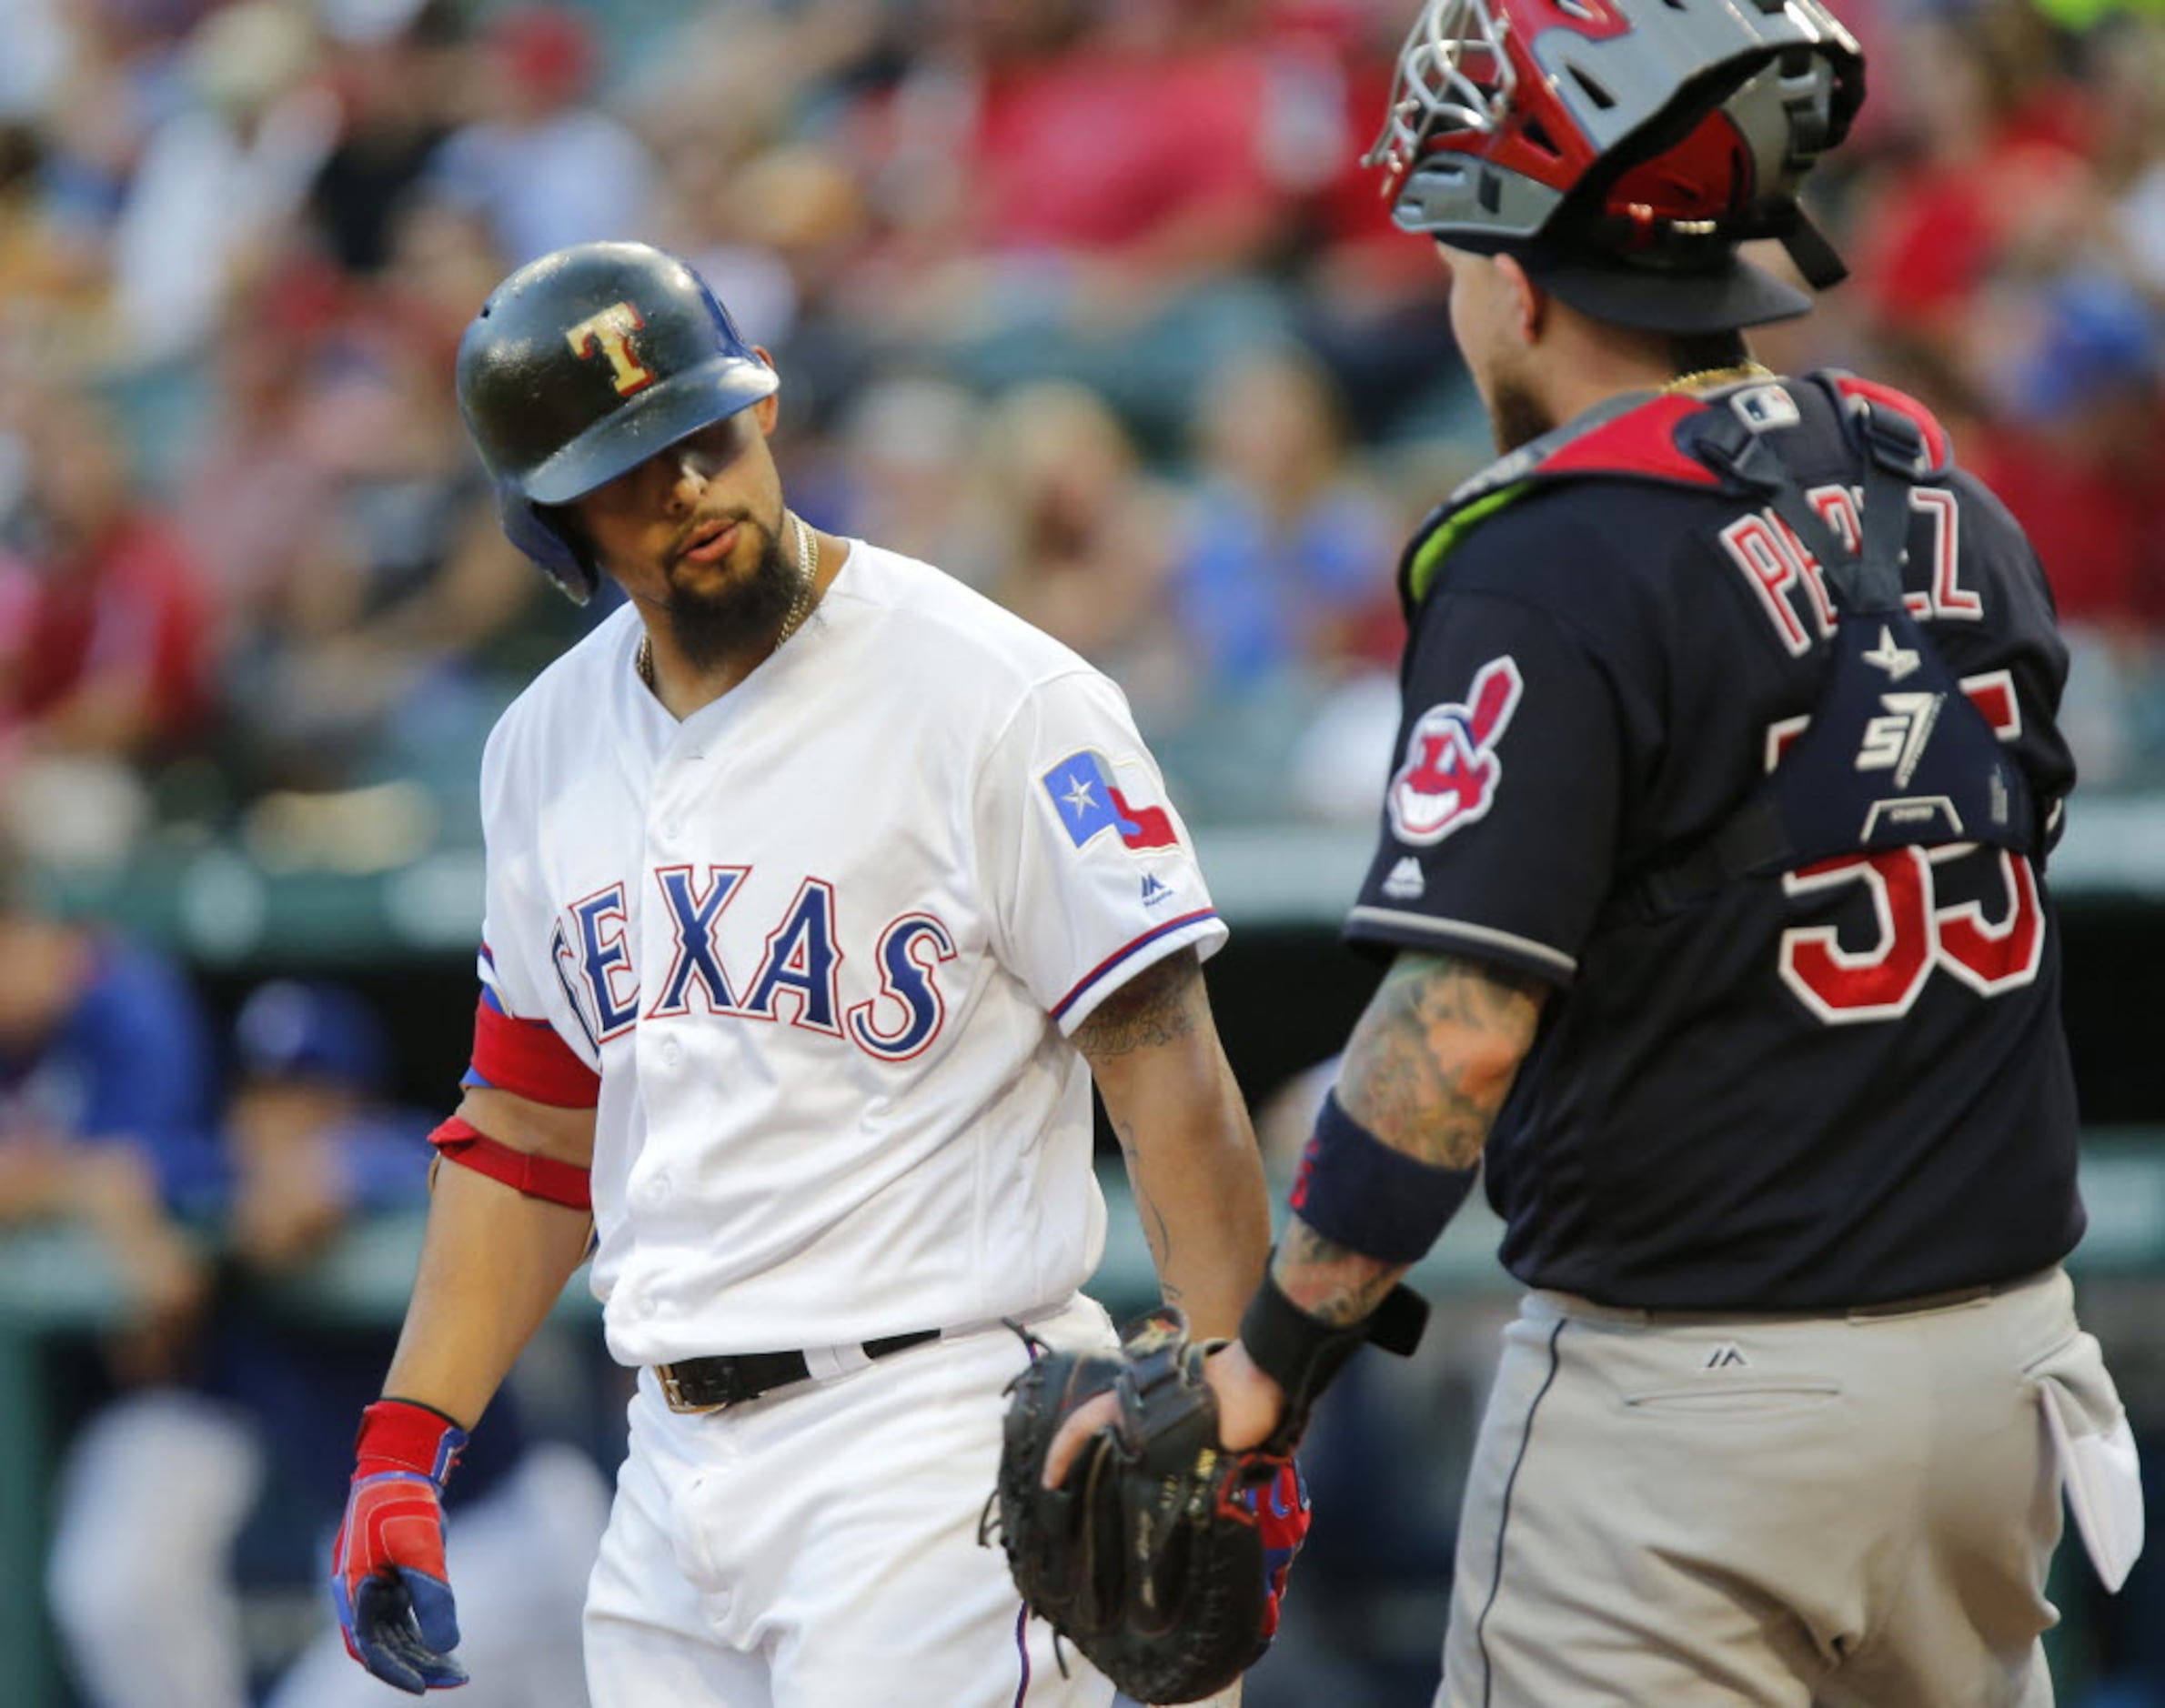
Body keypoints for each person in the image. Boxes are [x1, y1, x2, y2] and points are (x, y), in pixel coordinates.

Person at [1060, 1, 2144, 1703]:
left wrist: (1269, 1359)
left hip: (1700, 1416)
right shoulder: (1945, 490)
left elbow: (1463, 1031)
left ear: (1518, 274)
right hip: (2005, 1374)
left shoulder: (1549, 550)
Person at [327, 238, 1274, 1705]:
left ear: (763, 409)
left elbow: (1174, 1084)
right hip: (668, 1469)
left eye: (704, 433)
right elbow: (526, 1131)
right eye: (631, 466)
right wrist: (406, 1437)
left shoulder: (997, 695)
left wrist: (1239, 1413)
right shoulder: (539, 751)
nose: (689, 485)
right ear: (551, 522)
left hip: (937, 1434)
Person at [46, 975, 609, 1708]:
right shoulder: (220, 1191)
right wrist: (140, 1234)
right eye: (262, 1099)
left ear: (356, 1104)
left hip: (511, 1541)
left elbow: (422, 1157)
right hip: (395, 1561)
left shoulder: (409, 1160)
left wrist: (336, 1166)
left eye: (309, 1101)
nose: (279, 1124)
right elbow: (115, 1173)